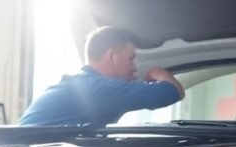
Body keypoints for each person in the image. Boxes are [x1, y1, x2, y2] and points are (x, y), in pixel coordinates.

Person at [19, 26, 184, 126]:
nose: (134, 68)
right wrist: (158, 73)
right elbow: (173, 92)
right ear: (112, 57)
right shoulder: (97, 89)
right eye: (131, 58)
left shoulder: (82, 84)